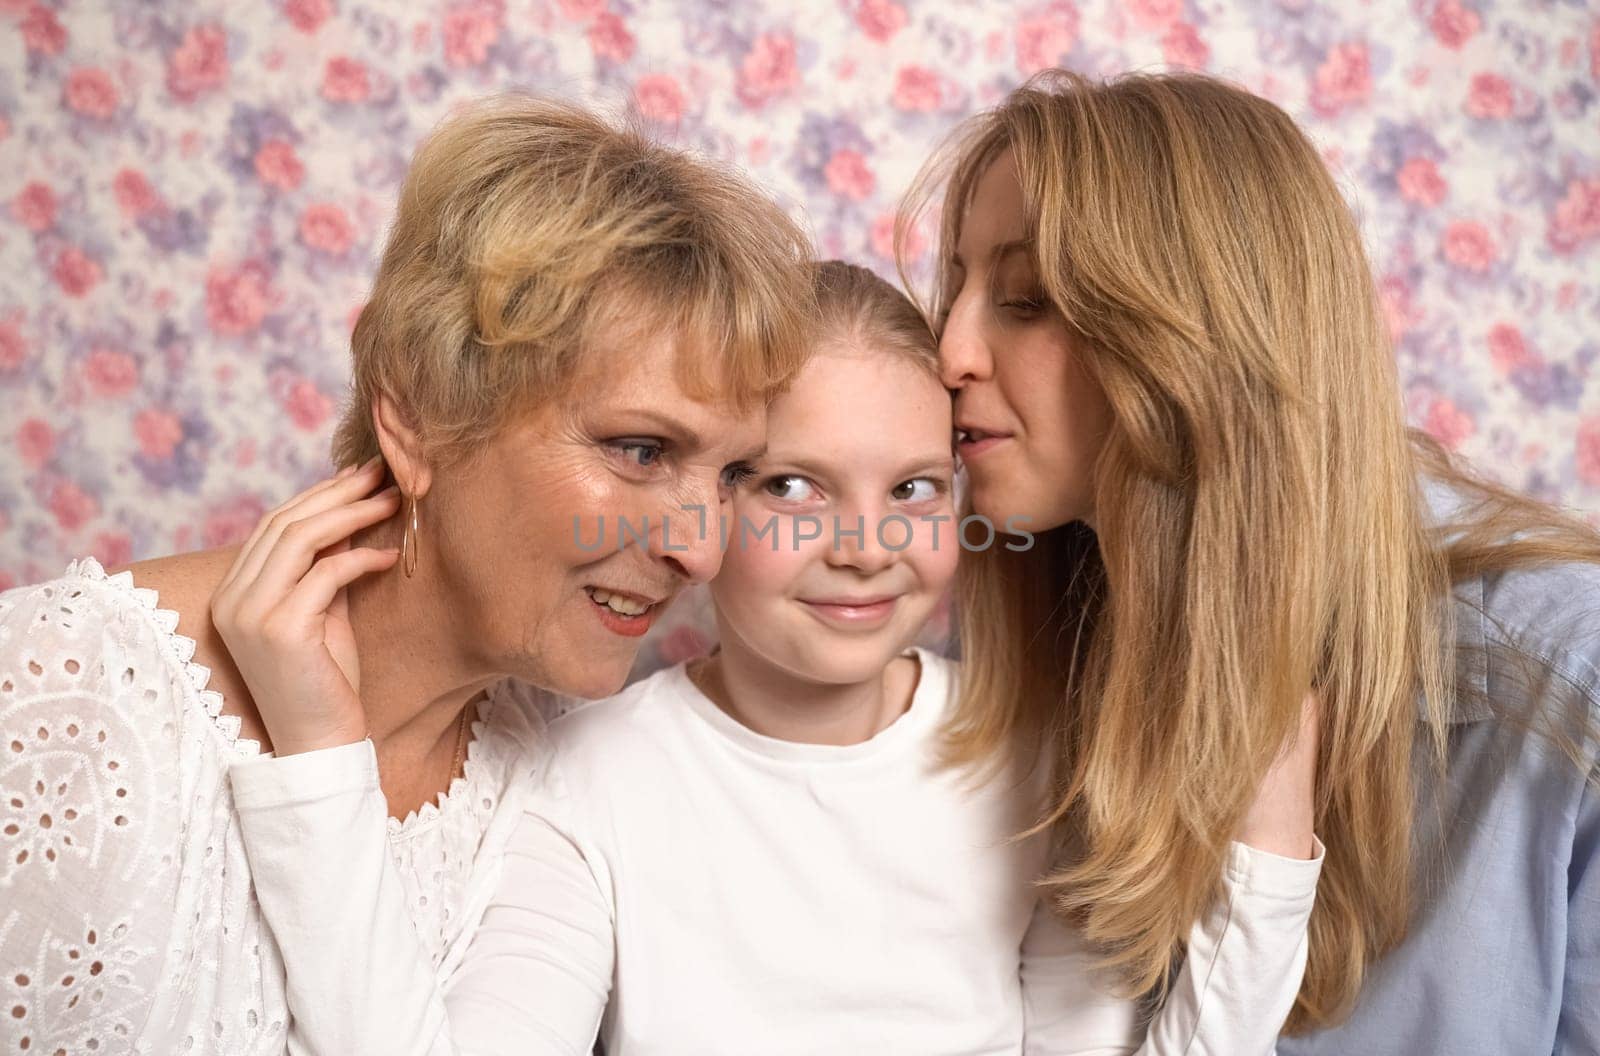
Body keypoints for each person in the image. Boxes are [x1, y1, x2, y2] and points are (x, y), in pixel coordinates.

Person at [225, 261, 1322, 1055]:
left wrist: (1269, 856)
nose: (863, 547)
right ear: (704, 505)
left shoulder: (1029, 759)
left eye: (914, 489)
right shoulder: (586, 779)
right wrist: (323, 763)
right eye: (792, 486)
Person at [0, 92, 812, 1054]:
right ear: (419, 415)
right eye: (639, 450)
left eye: (733, 475)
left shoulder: (545, 790)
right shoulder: (63, 689)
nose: (703, 549)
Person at [906, 69, 1600, 1052]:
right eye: (957, 290)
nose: (948, 351)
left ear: (1198, 342)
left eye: (1022, 300)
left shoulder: (1564, 682)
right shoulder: (1033, 633)